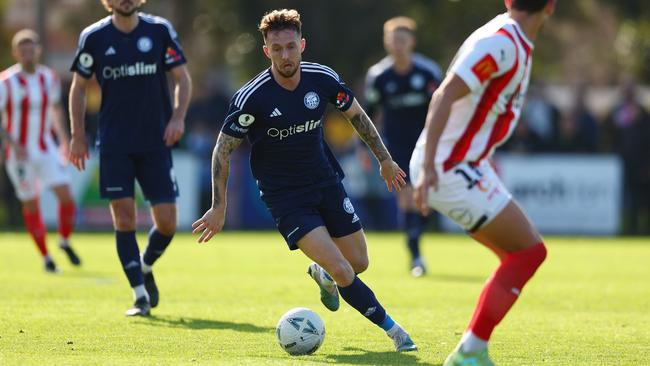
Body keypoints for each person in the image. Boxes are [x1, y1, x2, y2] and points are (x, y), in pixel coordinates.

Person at [192, 9, 417, 352]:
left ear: (302, 45)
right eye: (277, 48)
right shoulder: (252, 97)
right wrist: (218, 207)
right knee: (344, 270)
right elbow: (222, 151)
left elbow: (357, 115)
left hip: (325, 181)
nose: (285, 55)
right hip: (286, 198)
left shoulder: (322, 79)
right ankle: (396, 332)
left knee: (358, 263)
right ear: (266, 51)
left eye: (290, 46)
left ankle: (322, 272)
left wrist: (384, 159)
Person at [411, 1, 555, 364]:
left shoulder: (511, 37)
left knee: (519, 255)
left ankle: (474, 348)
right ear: (551, 7)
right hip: (450, 167)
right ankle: (470, 350)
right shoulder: (502, 42)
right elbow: (444, 93)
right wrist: (429, 168)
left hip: (463, 163)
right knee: (529, 252)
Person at [68, 0, 192, 316]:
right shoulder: (93, 37)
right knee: (124, 219)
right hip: (114, 144)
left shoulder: (160, 30)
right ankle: (139, 295)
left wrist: (178, 117)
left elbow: (183, 78)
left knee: (167, 223)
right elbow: (78, 88)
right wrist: (78, 134)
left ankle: (146, 265)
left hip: (155, 142)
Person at [365, 16, 442, 277]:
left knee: (423, 202)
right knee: (407, 198)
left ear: (412, 42)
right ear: (387, 43)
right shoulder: (379, 76)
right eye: (393, 40)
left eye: (402, 39)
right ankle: (415, 254)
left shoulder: (428, 73)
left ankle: (416, 243)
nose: (397, 44)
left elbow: (442, 109)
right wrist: (364, 148)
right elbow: (367, 115)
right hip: (394, 148)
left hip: (426, 145)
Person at [0, 29, 81, 273]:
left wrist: (65, 141)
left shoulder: (50, 78)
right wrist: (13, 144)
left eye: (31, 48)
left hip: (46, 148)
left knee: (67, 197)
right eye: (22, 50)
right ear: (16, 53)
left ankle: (64, 241)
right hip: (19, 155)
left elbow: (56, 111)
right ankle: (46, 257)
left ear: (38, 50)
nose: (27, 54)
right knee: (31, 204)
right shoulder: (6, 81)